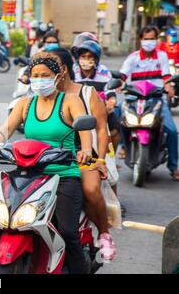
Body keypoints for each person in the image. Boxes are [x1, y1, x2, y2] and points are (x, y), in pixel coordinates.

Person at [0, 52, 92, 274]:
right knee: (1, 224)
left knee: (68, 231)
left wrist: (85, 150)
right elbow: (5, 130)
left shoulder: (70, 101)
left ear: (58, 77)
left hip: (63, 173)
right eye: (35, 75)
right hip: (28, 173)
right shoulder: (25, 103)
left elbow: (85, 130)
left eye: (45, 75)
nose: (40, 79)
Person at [49, 47, 117, 260]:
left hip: (81, 155)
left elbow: (101, 129)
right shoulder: (40, 96)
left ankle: (104, 233)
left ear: (65, 69)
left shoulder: (87, 93)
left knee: (90, 189)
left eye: (51, 68)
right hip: (47, 156)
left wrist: (100, 160)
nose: (43, 74)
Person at [119, 25, 179, 180]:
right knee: (117, 113)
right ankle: (124, 146)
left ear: (157, 39)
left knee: (172, 131)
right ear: (140, 40)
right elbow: (122, 77)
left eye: (152, 39)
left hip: (156, 99)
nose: (149, 42)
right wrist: (117, 85)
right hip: (134, 98)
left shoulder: (162, 56)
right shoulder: (132, 58)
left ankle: (173, 167)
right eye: (146, 39)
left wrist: (169, 87)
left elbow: (166, 77)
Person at [72, 40, 120, 155]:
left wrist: (111, 101)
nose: (86, 60)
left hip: (99, 111)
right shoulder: (73, 71)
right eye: (83, 56)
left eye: (90, 57)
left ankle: (110, 156)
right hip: (76, 111)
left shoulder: (103, 72)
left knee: (115, 129)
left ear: (96, 59)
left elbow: (110, 90)